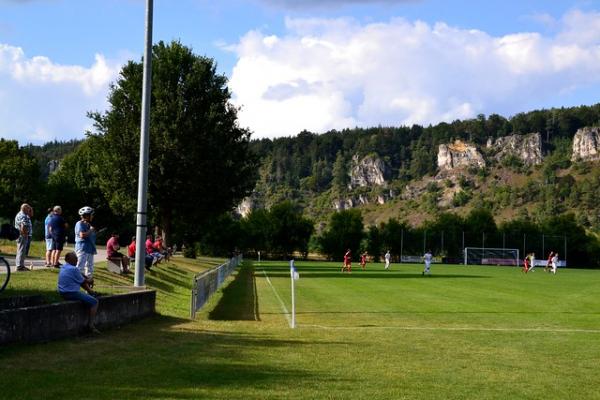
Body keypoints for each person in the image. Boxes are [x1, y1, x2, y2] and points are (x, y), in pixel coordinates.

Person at [57, 252, 100, 334]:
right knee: (95, 302)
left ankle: (91, 292)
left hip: (62, 292)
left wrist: (86, 277)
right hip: (70, 293)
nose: (77, 260)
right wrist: (90, 280)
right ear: (70, 260)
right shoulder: (74, 269)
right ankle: (90, 326)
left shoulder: (63, 267)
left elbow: (80, 275)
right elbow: (84, 281)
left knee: (81, 281)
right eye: (75, 258)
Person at [75, 206, 97, 279]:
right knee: (80, 268)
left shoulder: (88, 225)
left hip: (90, 249)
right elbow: (82, 235)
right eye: (91, 215)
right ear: (87, 215)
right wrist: (91, 230)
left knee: (90, 269)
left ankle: (88, 287)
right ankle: (77, 287)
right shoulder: (79, 223)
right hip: (82, 249)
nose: (92, 216)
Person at [14, 203, 32, 271]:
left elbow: (30, 215)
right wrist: (25, 234)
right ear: (25, 209)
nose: (29, 210)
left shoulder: (21, 214)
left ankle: (20, 265)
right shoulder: (23, 215)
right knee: (21, 250)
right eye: (28, 209)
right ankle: (20, 266)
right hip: (22, 235)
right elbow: (23, 225)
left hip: (21, 235)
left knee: (20, 250)